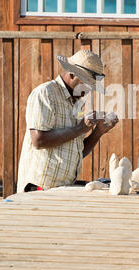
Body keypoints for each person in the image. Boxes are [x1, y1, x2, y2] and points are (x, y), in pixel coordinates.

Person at [17, 49, 118, 192]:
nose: (89, 90)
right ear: (72, 74)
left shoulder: (79, 103)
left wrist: (98, 132)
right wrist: (81, 128)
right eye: (87, 84)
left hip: (63, 188)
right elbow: (38, 141)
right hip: (39, 188)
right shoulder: (46, 93)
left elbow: (76, 151)